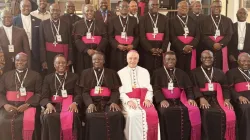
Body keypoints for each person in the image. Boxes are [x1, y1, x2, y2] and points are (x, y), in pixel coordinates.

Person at [151, 51, 201, 140]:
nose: (171, 61)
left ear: (176, 60)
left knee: (192, 109)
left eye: (173, 59)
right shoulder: (157, 73)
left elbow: (189, 88)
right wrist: (161, 100)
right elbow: (155, 89)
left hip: (180, 100)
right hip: (165, 100)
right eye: (168, 59)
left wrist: (190, 98)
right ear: (164, 60)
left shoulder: (182, 73)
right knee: (164, 111)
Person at [78, 52, 124, 140]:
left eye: (99, 59)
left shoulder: (111, 73)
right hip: (93, 103)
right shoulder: (85, 73)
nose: (96, 61)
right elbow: (85, 92)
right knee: (90, 116)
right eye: (94, 59)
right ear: (91, 61)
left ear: (104, 61)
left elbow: (115, 91)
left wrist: (113, 102)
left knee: (116, 114)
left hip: (108, 102)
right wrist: (89, 104)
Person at [191, 50, 236, 140]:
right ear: (201, 59)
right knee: (207, 112)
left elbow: (225, 87)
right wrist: (200, 98)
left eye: (210, 57)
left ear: (213, 59)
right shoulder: (194, 72)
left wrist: (227, 99)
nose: (207, 59)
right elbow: (194, 87)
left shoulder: (220, 72)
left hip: (218, 98)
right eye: (205, 57)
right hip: (203, 98)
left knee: (227, 112)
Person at [118, 50, 160, 140]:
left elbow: (149, 89)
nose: (132, 61)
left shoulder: (144, 71)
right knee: (133, 114)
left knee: (153, 113)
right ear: (126, 59)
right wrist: (128, 101)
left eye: (135, 58)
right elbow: (120, 92)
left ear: (138, 59)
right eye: (130, 58)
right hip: (129, 101)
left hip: (144, 99)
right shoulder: (120, 73)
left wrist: (148, 99)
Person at [0, 52, 42, 140]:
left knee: (28, 121)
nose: (20, 62)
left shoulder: (36, 75)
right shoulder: (6, 75)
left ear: (27, 61)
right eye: (17, 60)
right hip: (9, 106)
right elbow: (1, 93)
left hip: (28, 106)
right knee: (3, 121)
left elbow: (39, 93)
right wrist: (5, 105)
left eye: (23, 60)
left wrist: (28, 104)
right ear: (14, 61)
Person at [40, 54, 83, 140]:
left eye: (63, 62)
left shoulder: (74, 76)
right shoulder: (48, 78)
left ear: (67, 64)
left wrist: (75, 103)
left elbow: (78, 93)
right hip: (54, 105)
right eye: (58, 63)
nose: (61, 65)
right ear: (54, 64)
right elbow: (44, 95)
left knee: (73, 115)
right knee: (48, 116)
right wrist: (48, 104)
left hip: (69, 104)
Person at [73, 4, 108, 75]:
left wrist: (98, 50)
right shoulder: (78, 24)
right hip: (83, 55)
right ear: (83, 12)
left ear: (94, 12)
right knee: (83, 73)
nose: (89, 12)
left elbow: (105, 38)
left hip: (98, 53)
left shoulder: (101, 24)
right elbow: (76, 40)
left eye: (91, 10)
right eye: (87, 11)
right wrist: (87, 50)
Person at [200, 0, 233, 73]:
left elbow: (229, 35)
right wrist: (212, 44)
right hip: (208, 47)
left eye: (219, 6)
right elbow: (202, 35)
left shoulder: (227, 20)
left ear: (221, 7)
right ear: (211, 7)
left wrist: (221, 44)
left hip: (222, 48)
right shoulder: (204, 20)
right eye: (215, 6)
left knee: (221, 67)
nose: (217, 8)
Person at [39, 3, 72, 74]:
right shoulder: (43, 24)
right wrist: (43, 60)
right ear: (49, 11)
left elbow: (70, 42)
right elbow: (41, 43)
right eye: (53, 10)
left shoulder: (66, 24)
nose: (55, 12)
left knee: (63, 74)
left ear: (60, 11)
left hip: (63, 54)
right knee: (50, 75)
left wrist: (70, 58)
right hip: (49, 55)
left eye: (57, 10)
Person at [139, 0, 169, 75]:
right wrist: (150, 49)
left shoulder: (164, 18)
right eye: (153, 5)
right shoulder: (143, 19)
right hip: (147, 52)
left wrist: (162, 49)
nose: (155, 6)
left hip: (160, 51)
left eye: (156, 5)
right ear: (148, 6)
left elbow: (167, 36)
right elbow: (142, 36)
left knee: (160, 72)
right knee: (147, 72)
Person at [170, 1, 200, 74]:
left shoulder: (194, 21)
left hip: (191, 50)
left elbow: (198, 36)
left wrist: (191, 46)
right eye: (182, 7)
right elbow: (171, 36)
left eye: (186, 7)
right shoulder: (171, 21)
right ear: (177, 8)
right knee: (177, 71)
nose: (184, 8)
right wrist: (183, 47)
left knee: (190, 70)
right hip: (177, 50)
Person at [108, 0, 139, 71]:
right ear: (118, 8)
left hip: (130, 50)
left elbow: (137, 36)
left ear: (129, 8)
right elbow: (110, 36)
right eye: (122, 6)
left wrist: (133, 45)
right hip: (117, 51)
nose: (124, 8)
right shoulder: (112, 20)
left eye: (126, 6)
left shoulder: (134, 20)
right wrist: (117, 45)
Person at [226, 53, 250, 140]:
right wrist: (239, 97)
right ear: (238, 62)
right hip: (240, 100)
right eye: (243, 61)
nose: (246, 63)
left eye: (248, 61)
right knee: (246, 108)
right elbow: (229, 88)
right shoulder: (231, 73)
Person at [13, 0, 42, 73]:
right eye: (24, 6)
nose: (26, 8)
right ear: (20, 7)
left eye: (28, 6)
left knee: (35, 73)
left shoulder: (38, 21)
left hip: (35, 53)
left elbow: (40, 39)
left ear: (31, 7)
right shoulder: (14, 21)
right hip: (20, 53)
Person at [0, 9, 31, 74]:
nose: (7, 19)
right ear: (0, 18)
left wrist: (28, 65)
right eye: (4, 17)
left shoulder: (21, 31)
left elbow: (27, 50)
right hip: (3, 66)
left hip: (20, 64)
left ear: (13, 17)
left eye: (9, 17)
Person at [188, 1, 206, 67]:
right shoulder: (188, 17)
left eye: (199, 6)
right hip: (192, 43)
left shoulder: (205, 18)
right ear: (192, 7)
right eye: (196, 6)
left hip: (202, 43)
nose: (198, 7)